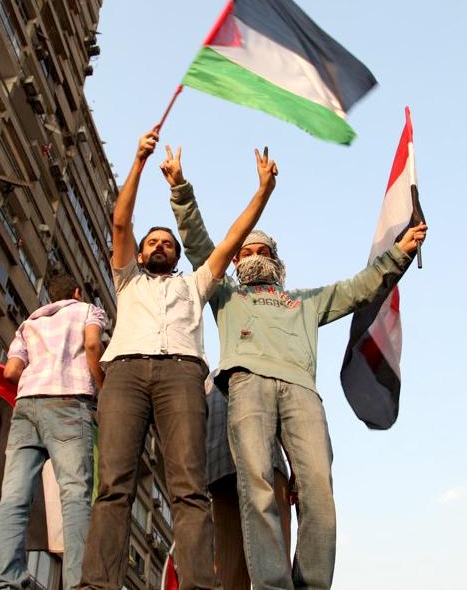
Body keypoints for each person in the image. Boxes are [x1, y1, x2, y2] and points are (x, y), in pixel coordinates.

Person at [164, 146, 427, 590]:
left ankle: (313, 583)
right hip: (247, 385)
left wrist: (398, 254)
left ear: (276, 259)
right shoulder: (226, 296)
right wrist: (179, 189)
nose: (251, 255)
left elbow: (358, 289)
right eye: (244, 251)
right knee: (258, 486)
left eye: (260, 249)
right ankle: (271, 584)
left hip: (301, 391)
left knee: (318, 492)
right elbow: (199, 246)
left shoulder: (304, 300)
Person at [79, 129, 277, 590]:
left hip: (182, 375)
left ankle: (198, 585)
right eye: (154, 242)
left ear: (178, 253)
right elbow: (120, 223)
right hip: (125, 372)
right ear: (141, 252)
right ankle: (97, 584)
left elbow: (232, 238)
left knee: (189, 489)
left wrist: (262, 191)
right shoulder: (127, 280)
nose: (160, 246)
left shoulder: (196, 283)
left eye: (168, 242)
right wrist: (139, 163)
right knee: (113, 486)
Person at [0, 274, 106, 590]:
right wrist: (103, 386)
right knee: (74, 494)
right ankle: (76, 584)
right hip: (69, 402)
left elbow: (11, 370)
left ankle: (7, 581)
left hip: (27, 406)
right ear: (77, 292)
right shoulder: (87, 311)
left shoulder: (29, 324)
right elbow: (93, 344)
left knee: (14, 498)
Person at [206, 375, 292, 590]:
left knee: (229, 568)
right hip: (266, 465)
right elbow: (286, 421)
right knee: (275, 562)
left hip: (220, 469)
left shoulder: (209, 380)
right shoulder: (263, 369)